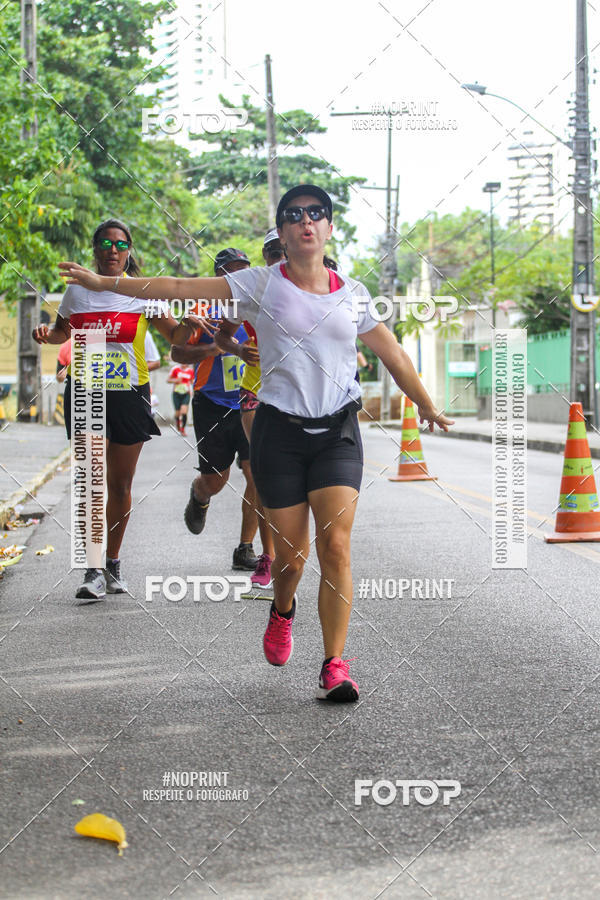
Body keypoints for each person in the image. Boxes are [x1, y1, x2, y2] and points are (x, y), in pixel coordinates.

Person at [59, 186, 453, 701]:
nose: (305, 222)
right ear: (284, 233)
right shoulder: (259, 284)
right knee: (291, 560)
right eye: (293, 216)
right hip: (278, 431)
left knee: (335, 546)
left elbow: (394, 354)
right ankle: (282, 610)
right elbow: (177, 286)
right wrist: (105, 282)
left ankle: (334, 663)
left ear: (329, 228)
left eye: (316, 214)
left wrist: (424, 402)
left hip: (337, 431)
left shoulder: (352, 293)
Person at [35, 218, 202, 601]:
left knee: (120, 484)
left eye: (121, 244)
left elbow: (173, 336)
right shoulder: (77, 293)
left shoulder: (144, 293)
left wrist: (189, 327)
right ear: (94, 249)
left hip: (129, 393)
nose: (113, 249)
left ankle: (112, 561)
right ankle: (92, 569)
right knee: (91, 481)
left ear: (129, 252)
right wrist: (47, 334)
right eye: (106, 243)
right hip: (85, 390)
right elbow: (63, 331)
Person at [170, 247, 261, 572]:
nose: (239, 277)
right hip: (211, 404)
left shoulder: (256, 307)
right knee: (216, 480)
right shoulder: (202, 310)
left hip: (249, 403)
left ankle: (245, 547)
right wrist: (217, 349)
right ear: (219, 275)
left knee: (256, 474)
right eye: (231, 271)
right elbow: (177, 354)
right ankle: (200, 494)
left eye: (244, 270)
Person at [215, 229, 282, 587]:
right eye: (270, 251)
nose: (277, 257)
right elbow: (222, 335)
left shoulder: (322, 286)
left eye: (281, 250)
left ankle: (294, 551)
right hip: (257, 390)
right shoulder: (253, 293)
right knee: (262, 474)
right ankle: (267, 557)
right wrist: (239, 350)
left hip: (303, 396)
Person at [167, 359, 194, 434]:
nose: (183, 363)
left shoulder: (190, 371)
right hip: (176, 393)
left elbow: (192, 382)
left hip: (186, 393)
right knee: (177, 413)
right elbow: (168, 380)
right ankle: (178, 423)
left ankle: (183, 429)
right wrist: (175, 380)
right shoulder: (175, 369)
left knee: (184, 411)